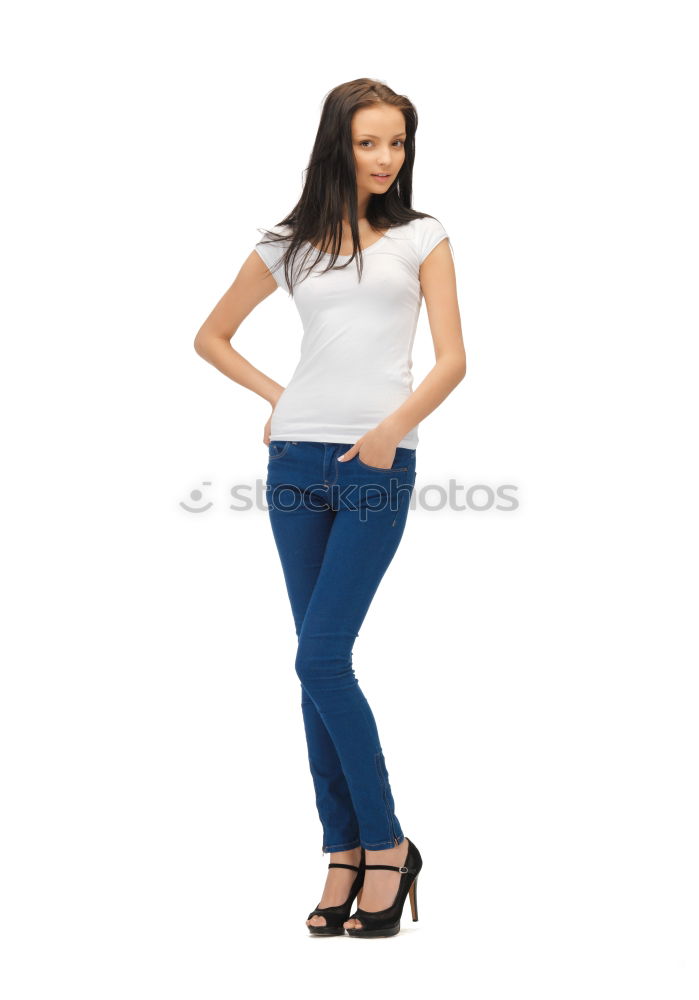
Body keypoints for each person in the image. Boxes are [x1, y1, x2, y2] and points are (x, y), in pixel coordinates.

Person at [194, 78, 466, 938]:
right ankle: (341, 851)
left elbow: (453, 360)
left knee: (320, 659)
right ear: (335, 146)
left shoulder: (422, 236)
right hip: (295, 460)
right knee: (315, 661)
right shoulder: (290, 243)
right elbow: (209, 335)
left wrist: (391, 431)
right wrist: (278, 399)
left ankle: (385, 844)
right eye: (369, 143)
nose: (386, 160)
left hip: (376, 463)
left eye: (397, 144)